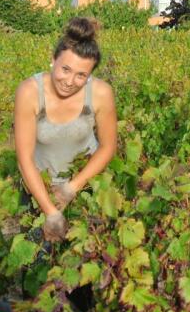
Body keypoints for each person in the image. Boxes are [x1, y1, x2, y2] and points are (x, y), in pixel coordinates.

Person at [14, 17, 117, 243]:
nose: (70, 81)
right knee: (37, 259)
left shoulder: (100, 94)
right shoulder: (30, 92)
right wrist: (50, 211)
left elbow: (108, 146)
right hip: (38, 189)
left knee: (87, 259)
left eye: (81, 75)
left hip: (86, 184)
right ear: (53, 60)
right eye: (65, 69)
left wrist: (73, 187)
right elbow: (24, 158)